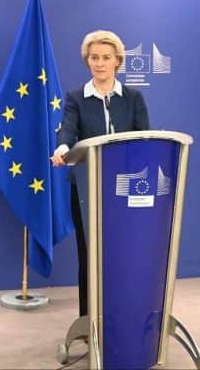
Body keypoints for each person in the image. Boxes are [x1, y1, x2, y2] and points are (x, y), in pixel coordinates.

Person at [51, 30, 149, 317]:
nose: (100, 63)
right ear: (87, 61)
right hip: (87, 189)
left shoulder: (133, 98)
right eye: (94, 57)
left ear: (117, 61)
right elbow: (67, 130)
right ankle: (89, 322)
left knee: (127, 255)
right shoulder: (76, 98)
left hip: (126, 189)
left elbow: (145, 138)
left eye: (106, 58)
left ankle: (126, 316)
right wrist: (63, 148)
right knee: (90, 255)